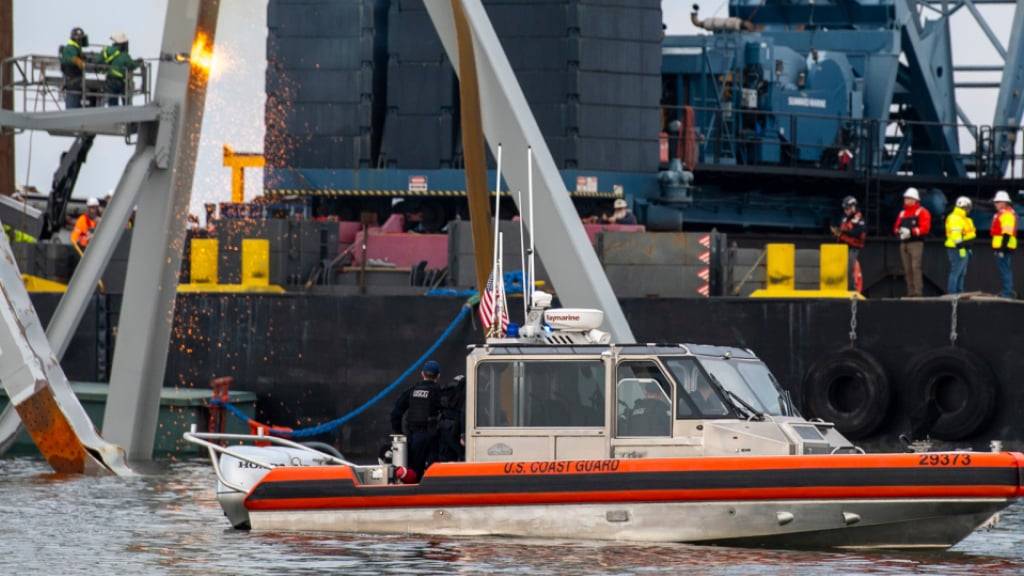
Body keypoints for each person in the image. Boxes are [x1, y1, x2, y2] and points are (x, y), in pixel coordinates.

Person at [390, 360, 442, 478]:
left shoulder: (412, 391)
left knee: (415, 473)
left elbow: (396, 413)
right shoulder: (440, 392)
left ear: (422, 374)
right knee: (434, 473)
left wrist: (399, 433)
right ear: (438, 376)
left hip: (416, 437)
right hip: (435, 438)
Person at [893, 187, 931, 296]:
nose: (906, 200)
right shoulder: (902, 213)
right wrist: (899, 231)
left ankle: (917, 292)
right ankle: (910, 292)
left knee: (915, 267)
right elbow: (895, 227)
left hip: (916, 244)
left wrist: (911, 232)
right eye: (905, 198)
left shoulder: (922, 212)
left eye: (908, 198)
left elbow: (925, 228)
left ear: (915, 200)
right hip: (904, 244)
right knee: (907, 269)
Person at [831, 196, 865, 291]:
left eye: (848, 208)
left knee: (851, 268)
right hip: (842, 248)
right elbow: (841, 230)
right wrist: (837, 232)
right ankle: (843, 288)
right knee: (842, 268)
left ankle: (852, 289)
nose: (846, 210)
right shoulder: (844, 218)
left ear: (854, 207)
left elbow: (857, 232)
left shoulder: (859, 218)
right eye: (845, 208)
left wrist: (842, 232)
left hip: (853, 247)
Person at [944, 196, 976, 295]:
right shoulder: (954, 218)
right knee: (956, 271)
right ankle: (952, 292)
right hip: (956, 248)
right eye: (969, 207)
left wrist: (968, 248)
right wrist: (961, 247)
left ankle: (959, 291)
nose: (969, 210)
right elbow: (956, 234)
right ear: (965, 207)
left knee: (962, 272)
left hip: (965, 248)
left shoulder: (966, 219)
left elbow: (970, 233)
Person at [101, 33, 141, 106]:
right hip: (120, 81)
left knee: (112, 102)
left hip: (109, 81)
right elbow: (131, 65)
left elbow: (99, 60)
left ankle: (113, 113)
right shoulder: (124, 56)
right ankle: (126, 112)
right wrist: (139, 62)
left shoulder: (107, 51)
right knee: (126, 101)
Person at [991, 190, 1017, 298]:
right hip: (1002, 247)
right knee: (1005, 269)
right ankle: (1007, 291)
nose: (995, 204)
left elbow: (1007, 233)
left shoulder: (1006, 215)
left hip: (1004, 247)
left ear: (1003, 203)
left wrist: (1002, 249)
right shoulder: (1003, 214)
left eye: (997, 202)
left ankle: (1007, 292)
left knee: (1005, 270)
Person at [59, 27, 92, 109]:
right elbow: (75, 59)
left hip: (75, 80)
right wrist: (83, 64)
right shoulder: (71, 48)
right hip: (72, 81)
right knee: (72, 104)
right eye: (81, 39)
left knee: (76, 102)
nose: (81, 41)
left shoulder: (75, 47)